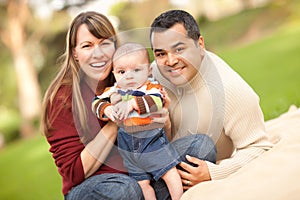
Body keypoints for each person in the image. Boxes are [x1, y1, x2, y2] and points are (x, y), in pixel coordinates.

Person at [41, 11, 216, 200]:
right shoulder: (61, 99)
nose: (98, 53)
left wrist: (163, 123)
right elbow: (74, 174)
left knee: (200, 147)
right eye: (87, 46)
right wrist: (119, 118)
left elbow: (154, 144)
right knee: (126, 190)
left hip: (139, 174)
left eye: (105, 43)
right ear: (75, 53)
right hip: (97, 188)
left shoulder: (130, 77)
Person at [150, 9, 274, 190]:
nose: (170, 61)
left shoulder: (230, 90)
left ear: (200, 44)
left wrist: (213, 173)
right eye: (161, 54)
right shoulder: (153, 74)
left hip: (190, 167)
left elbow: (260, 148)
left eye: (179, 49)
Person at [92, 42, 183, 200]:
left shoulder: (150, 88)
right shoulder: (115, 90)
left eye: (136, 70)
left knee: (170, 173)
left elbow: (158, 101)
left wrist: (133, 103)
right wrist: (106, 109)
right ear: (114, 73)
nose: (129, 76)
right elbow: (96, 102)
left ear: (148, 71)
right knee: (142, 184)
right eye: (122, 71)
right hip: (128, 149)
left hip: (151, 142)